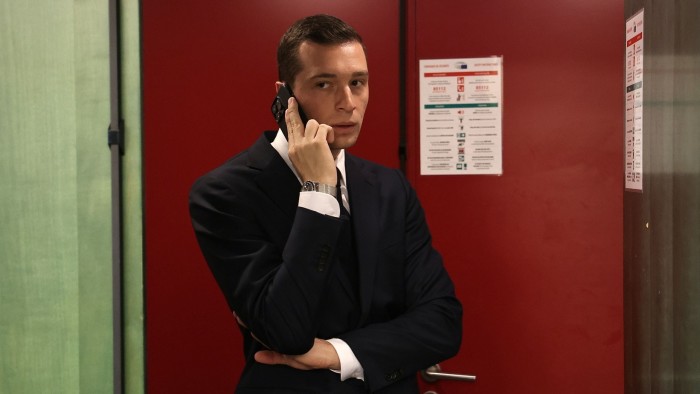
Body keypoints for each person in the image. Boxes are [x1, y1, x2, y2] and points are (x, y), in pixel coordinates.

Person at [189, 14, 462, 393]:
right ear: (286, 96)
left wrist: (337, 353)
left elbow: (443, 322)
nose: (348, 103)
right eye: (324, 83)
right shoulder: (225, 194)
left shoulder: (389, 188)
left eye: (358, 83)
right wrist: (319, 191)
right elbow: (286, 330)